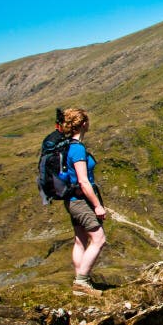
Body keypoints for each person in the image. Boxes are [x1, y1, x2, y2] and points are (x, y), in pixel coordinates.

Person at [60, 108, 106, 297]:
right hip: (81, 201)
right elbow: (83, 181)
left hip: (71, 199)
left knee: (80, 240)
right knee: (98, 239)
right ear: (84, 123)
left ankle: (80, 284)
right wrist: (97, 205)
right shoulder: (77, 148)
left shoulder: (66, 145)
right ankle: (82, 281)